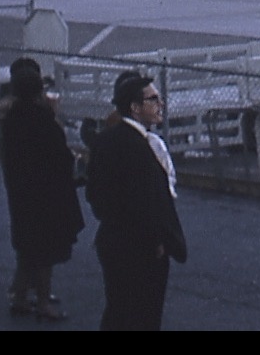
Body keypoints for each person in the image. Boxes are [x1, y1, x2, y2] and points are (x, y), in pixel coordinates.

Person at [85, 73, 187, 331]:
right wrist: (158, 241)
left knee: (119, 310)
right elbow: (147, 203)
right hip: (141, 249)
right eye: (153, 99)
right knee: (144, 314)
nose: (160, 104)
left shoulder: (106, 140)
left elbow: (96, 194)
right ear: (135, 107)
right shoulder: (142, 148)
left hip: (112, 241)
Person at [0, 61, 84, 322]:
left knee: (27, 249)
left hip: (21, 192)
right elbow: (60, 158)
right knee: (46, 251)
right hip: (46, 195)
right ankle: (43, 302)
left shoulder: (10, 121)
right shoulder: (44, 122)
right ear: (39, 92)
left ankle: (21, 295)